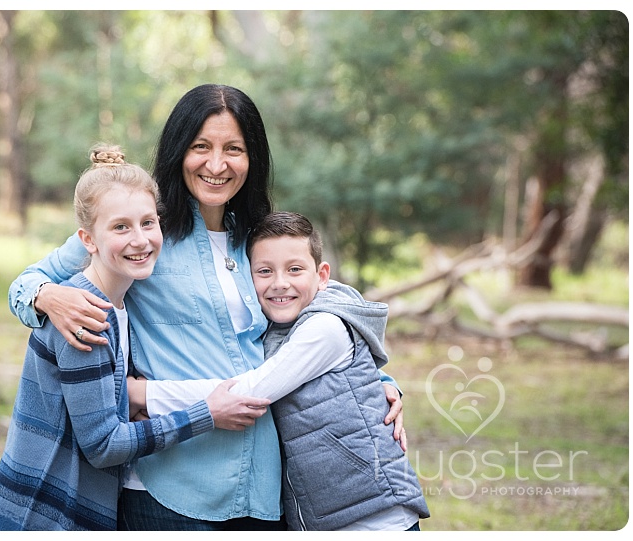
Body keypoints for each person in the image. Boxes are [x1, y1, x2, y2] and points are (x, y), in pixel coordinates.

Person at [7, 84, 405, 530]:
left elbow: (307, 309)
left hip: (264, 482)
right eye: (201, 147)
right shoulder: (144, 230)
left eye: (233, 149)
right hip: (172, 483)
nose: (217, 165)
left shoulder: (257, 235)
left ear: (252, 158)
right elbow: (25, 283)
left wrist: (377, 381)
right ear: (179, 150)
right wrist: (45, 296)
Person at [0, 144, 270, 531]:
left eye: (149, 223)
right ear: (88, 239)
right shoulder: (85, 316)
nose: (140, 240)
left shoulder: (121, 305)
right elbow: (103, 445)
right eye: (120, 227)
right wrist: (207, 413)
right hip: (41, 512)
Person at [134, 211, 430, 530]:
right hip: (329, 515)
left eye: (295, 269)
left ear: (322, 275)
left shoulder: (325, 328)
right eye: (264, 271)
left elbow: (248, 391)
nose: (280, 283)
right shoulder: (276, 330)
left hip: (374, 516)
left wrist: (141, 393)